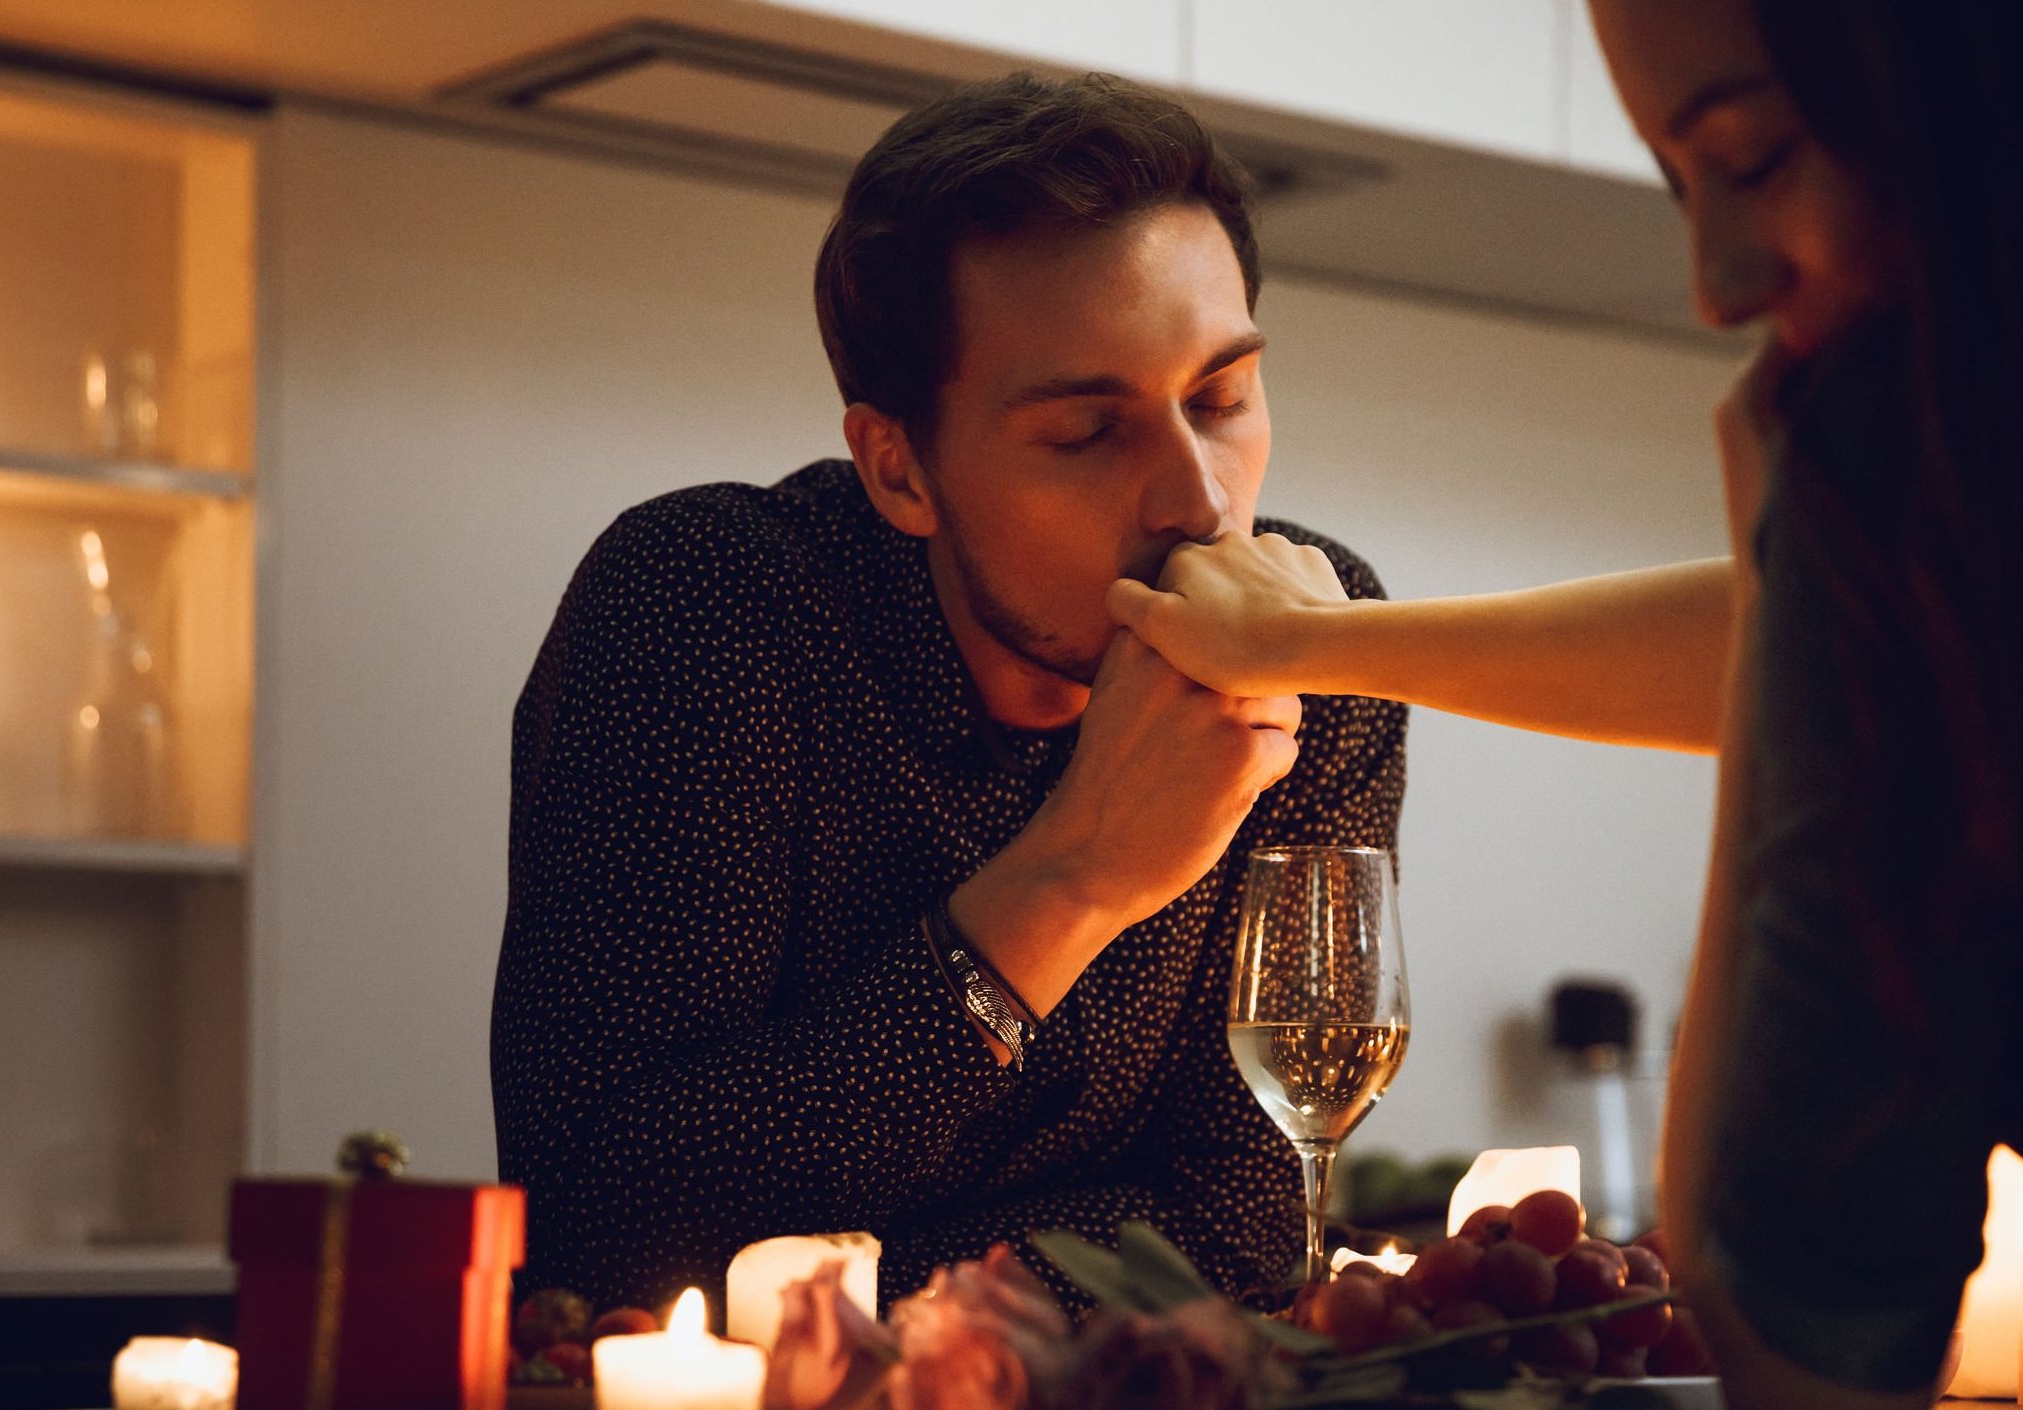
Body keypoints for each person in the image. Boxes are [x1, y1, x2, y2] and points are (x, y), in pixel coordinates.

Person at [1112, 1, 2023, 1405]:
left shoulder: (1904, 478)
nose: (1718, 284)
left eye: (1757, 157)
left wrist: (1798, 540)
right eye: (1683, 184)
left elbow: (1800, 1343)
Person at [487, 73, 1414, 1315]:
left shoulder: (1319, 659)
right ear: (900, 470)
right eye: (1088, 433)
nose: (1197, 501)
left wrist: (844, 1262)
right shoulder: (708, 605)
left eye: (1221, 398)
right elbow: (606, 1231)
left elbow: (1253, 1221)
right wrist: (1074, 877)